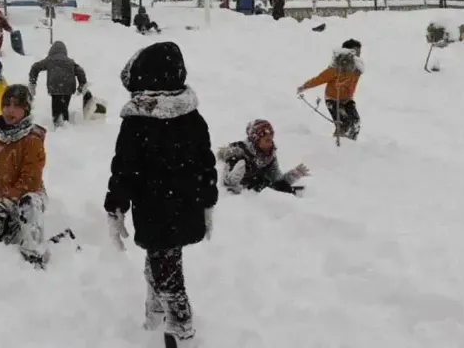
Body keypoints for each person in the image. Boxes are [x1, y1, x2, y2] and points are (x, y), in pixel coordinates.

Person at [104, 41, 217, 343]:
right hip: (187, 206)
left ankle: (180, 329)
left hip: (155, 209)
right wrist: (207, 201)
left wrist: (116, 206)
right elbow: (206, 164)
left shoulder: (137, 122)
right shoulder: (192, 118)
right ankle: (155, 313)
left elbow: (124, 169)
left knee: (167, 269)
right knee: (164, 258)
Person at [0, 84, 50, 269]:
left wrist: (6, 204)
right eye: (6, 104)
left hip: (30, 197)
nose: (10, 110)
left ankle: (36, 255)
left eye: (16, 105)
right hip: (2, 205)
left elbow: (31, 179)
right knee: (4, 247)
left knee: (28, 204)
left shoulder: (31, 139)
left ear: (26, 109)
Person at [216, 119, 310, 196]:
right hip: (244, 200)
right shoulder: (238, 154)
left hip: (260, 193)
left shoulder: (268, 157)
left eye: (271, 139)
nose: (270, 143)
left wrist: (293, 175)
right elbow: (224, 185)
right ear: (256, 140)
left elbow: (277, 181)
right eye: (267, 140)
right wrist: (232, 182)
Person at [297, 39, 364, 140]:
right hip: (333, 99)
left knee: (355, 122)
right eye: (355, 52)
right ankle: (338, 144)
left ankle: (351, 144)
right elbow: (321, 78)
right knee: (343, 123)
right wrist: (305, 86)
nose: (357, 55)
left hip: (347, 99)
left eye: (359, 52)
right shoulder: (337, 67)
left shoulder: (358, 68)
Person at [28, 41, 87, 127]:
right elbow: (80, 71)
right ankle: (64, 122)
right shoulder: (70, 61)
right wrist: (81, 84)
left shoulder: (49, 60)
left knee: (56, 105)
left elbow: (35, 67)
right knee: (64, 105)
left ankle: (57, 124)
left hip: (55, 86)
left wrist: (33, 82)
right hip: (68, 87)